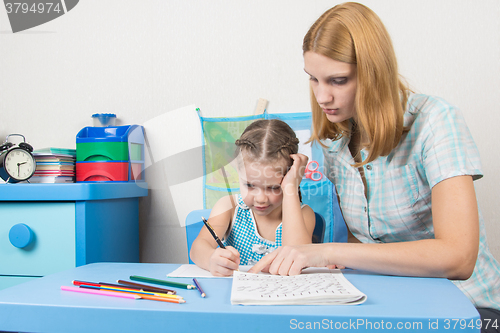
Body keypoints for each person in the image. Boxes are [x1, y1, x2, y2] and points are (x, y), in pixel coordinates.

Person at [249, 2, 500, 329]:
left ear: (373, 73)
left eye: (337, 81)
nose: (322, 96)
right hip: (395, 306)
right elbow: (366, 244)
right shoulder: (335, 145)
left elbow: (459, 257)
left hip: (469, 309)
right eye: (314, 79)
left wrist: (327, 253)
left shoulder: (436, 121)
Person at [190, 119, 316, 277]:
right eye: (250, 185)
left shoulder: (303, 213)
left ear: (291, 177)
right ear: (238, 172)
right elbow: (198, 247)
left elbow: (297, 257)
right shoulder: (229, 207)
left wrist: (291, 188)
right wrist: (210, 259)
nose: (261, 199)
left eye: (274, 187)